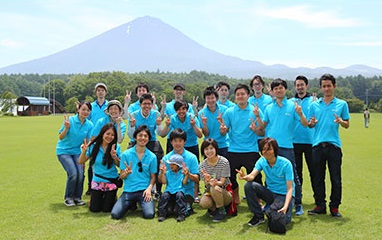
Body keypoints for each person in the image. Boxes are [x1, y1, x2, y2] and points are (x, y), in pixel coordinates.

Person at [256, 78, 308, 216]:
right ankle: (271, 202)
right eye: (276, 88)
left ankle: (297, 204)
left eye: (281, 88)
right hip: (270, 147)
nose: (278, 90)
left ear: (285, 89)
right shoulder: (268, 108)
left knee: (293, 177)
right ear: (272, 91)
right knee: (270, 174)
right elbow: (263, 127)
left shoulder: (293, 106)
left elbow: (305, 124)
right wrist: (257, 117)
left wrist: (301, 113)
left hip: (286, 147)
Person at [307, 74, 350, 218]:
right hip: (317, 145)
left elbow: (347, 125)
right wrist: (312, 122)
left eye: (329, 86)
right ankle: (320, 205)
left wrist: (340, 121)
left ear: (334, 86)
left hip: (334, 146)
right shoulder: (314, 105)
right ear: (320, 87)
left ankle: (335, 207)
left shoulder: (342, 104)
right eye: (324, 86)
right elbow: (310, 124)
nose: (326, 88)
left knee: (336, 178)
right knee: (318, 178)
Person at [220, 83, 264, 205]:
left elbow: (262, 132)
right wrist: (223, 130)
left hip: (251, 150)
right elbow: (225, 131)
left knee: (256, 176)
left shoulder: (256, 111)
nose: (240, 96)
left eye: (243, 94)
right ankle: (236, 197)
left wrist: (256, 128)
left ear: (248, 95)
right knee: (230, 176)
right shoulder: (229, 112)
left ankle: (258, 200)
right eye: (238, 94)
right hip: (234, 149)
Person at [237, 137, 294, 227]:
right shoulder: (262, 161)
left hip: (283, 195)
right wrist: (245, 177)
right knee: (249, 185)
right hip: (270, 193)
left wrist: (286, 206)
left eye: (269, 149)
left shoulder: (286, 164)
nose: (266, 152)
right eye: (263, 149)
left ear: (275, 150)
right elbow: (252, 176)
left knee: (282, 220)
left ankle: (271, 209)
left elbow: (290, 189)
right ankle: (258, 216)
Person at [111, 125, 157, 220]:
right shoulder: (126, 154)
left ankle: (136, 203)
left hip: (144, 191)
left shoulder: (152, 156)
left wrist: (149, 189)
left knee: (149, 215)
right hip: (129, 190)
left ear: (148, 139)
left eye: (145, 136)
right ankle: (131, 204)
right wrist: (126, 173)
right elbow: (122, 176)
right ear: (135, 137)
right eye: (140, 135)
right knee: (115, 215)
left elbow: (153, 177)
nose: (142, 138)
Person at [161, 100, 202, 202]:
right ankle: (173, 190)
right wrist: (166, 125)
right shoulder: (173, 118)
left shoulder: (192, 117)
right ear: (175, 110)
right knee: (174, 169)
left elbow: (200, 135)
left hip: (191, 145)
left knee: (193, 170)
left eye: (183, 109)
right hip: (176, 146)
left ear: (187, 109)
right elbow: (162, 134)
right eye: (179, 109)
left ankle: (194, 195)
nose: (181, 111)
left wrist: (194, 125)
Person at [56, 101, 93, 206]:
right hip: (64, 151)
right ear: (78, 110)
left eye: (88, 110)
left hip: (77, 151)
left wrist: (85, 151)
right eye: (83, 109)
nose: (85, 112)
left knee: (81, 174)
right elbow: (61, 137)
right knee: (73, 173)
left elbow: (88, 140)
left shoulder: (89, 125)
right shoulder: (70, 121)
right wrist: (66, 128)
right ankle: (69, 198)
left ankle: (77, 198)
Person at [78, 123, 121, 212]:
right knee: (95, 209)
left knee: (106, 209)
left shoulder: (116, 147)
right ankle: (95, 198)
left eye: (112, 135)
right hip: (97, 180)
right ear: (102, 134)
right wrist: (84, 151)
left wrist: (114, 157)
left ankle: (112, 197)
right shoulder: (93, 146)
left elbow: (120, 165)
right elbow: (81, 161)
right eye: (107, 134)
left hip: (111, 180)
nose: (110, 137)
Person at [128, 93, 164, 197]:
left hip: (152, 141)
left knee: (158, 162)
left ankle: (157, 191)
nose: (147, 106)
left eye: (149, 104)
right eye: (144, 104)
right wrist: (132, 126)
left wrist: (158, 124)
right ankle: (133, 188)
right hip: (136, 141)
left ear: (152, 105)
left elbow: (160, 133)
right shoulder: (134, 115)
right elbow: (130, 135)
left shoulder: (156, 114)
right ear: (140, 104)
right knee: (130, 160)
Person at [290, 75, 315, 215]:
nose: (299, 87)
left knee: (315, 172)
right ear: (295, 87)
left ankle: (318, 200)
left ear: (307, 86)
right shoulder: (290, 102)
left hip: (311, 142)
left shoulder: (314, 101)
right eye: (297, 85)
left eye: (302, 85)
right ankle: (297, 200)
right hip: (294, 142)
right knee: (296, 174)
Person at [161, 128, 200, 215]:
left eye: (180, 141)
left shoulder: (192, 157)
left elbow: (197, 179)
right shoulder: (166, 159)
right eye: (175, 141)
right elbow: (161, 181)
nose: (177, 143)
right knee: (169, 210)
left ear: (184, 142)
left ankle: (187, 205)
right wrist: (162, 173)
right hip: (171, 190)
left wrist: (188, 174)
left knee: (178, 211)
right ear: (171, 142)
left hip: (187, 191)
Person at [199, 138, 232, 222]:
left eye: (211, 148)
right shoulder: (202, 165)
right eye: (206, 149)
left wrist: (215, 182)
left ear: (216, 149)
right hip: (210, 191)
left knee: (215, 187)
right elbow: (206, 185)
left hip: (225, 192)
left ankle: (221, 211)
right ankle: (214, 209)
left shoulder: (224, 162)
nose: (209, 151)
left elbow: (222, 182)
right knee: (203, 203)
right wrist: (207, 180)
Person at [160, 83, 198, 154]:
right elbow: (161, 118)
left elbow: (194, 117)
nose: (178, 92)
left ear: (184, 92)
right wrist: (163, 107)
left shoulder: (189, 106)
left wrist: (195, 108)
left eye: (181, 90)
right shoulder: (167, 105)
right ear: (173, 91)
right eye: (176, 90)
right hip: (173, 140)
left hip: (189, 141)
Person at [86, 82, 108, 195]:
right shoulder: (91, 106)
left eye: (102, 90)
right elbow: (87, 119)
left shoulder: (109, 105)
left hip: (107, 138)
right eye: (98, 90)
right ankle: (91, 186)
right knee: (92, 163)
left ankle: (105, 185)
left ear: (105, 92)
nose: (100, 92)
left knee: (105, 161)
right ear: (95, 92)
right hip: (94, 138)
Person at [198, 86, 230, 157]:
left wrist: (222, 123)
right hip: (209, 146)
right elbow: (206, 134)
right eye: (208, 98)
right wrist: (204, 125)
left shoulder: (224, 110)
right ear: (205, 99)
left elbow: (224, 133)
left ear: (216, 98)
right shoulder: (201, 113)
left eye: (212, 98)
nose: (210, 101)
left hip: (223, 145)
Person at [157, 154, 189, 222]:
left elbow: (184, 183)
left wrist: (186, 175)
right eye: (170, 164)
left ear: (178, 165)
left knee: (179, 195)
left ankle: (182, 214)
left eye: (173, 164)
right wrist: (163, 173)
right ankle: (162, 214)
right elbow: (164, 182)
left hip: (179, 190)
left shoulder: (182, 173)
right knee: (164, 196)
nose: (171, 166)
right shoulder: (168, 173)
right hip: (169, 190)